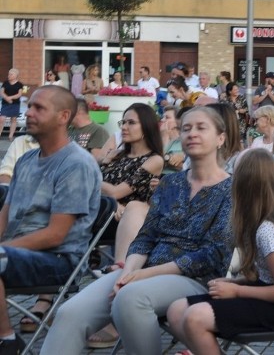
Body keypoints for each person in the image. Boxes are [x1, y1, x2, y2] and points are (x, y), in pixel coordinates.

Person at [41, 106, 233, 355]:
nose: (192, 134)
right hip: (143, 272)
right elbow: (146, 237)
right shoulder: (170, 183)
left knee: (131, 299)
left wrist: (142, 276)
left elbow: (213, 254)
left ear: (221, 138)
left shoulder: (233, 188)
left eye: (201, 128)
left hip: (195, 279)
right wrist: (128, 272)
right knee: (70, 312)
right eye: (186, 128)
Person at [166, 149, 274, 354]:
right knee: (176, 311)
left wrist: (237, 291)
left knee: (195, 317)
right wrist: (235, 282)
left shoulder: (270, 230)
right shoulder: (261, 221)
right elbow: (269, 275)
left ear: (244, 185)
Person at [0, 86, 101, 353]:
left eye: (39, 108)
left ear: (63, 116)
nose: (28, 113)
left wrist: (3, 249)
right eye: (29, 106)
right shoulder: (27, 160)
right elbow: (5, 216)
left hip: (58, 259)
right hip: (17, 252)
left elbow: (55, 235)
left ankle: (7, 341)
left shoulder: (76, 164)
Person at [83, 104, 165, 349]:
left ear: (146, 126)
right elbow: (87, 180)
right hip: (102, 215)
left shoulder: (154, 159)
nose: (125, 127)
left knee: (133, 206)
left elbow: (119, 190)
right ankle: (58, 302)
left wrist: (109, 191)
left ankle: (120, 281)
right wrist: (112, 197)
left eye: (131, 122)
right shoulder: (116, 154)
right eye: (123, 122)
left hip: (132, 221)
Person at [1, 69, 24, 141]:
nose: (9, 76)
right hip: (5, 104)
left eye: (11, 74)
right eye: (8, 74)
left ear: (16, 75)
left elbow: (19, 94)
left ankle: (10, 136)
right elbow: (1, 92)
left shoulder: (19, 84)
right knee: (2, 119)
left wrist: (10, 98)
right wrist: (6, 98)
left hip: (15, 104)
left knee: (13, 119)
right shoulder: (5, 83)